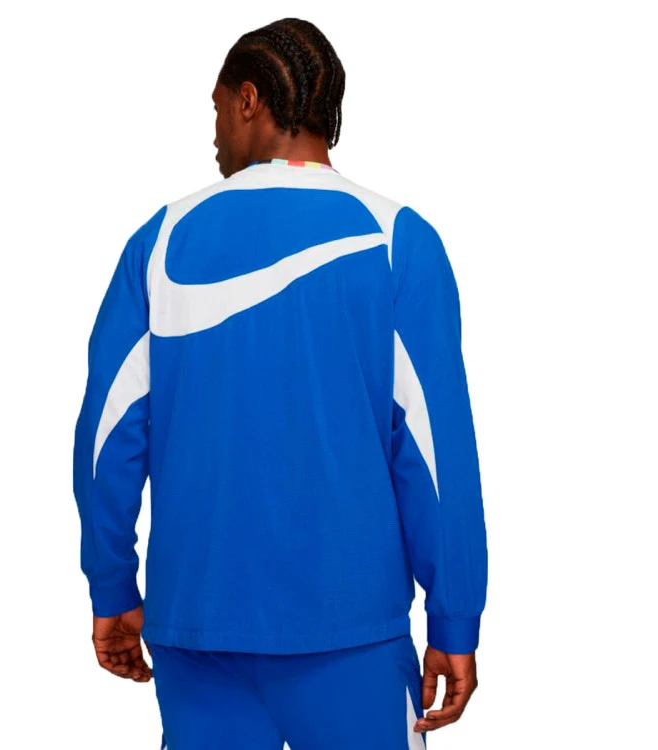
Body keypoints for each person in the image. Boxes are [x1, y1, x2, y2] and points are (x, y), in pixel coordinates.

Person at [72, 16, 488, 750]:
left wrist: (112, 584)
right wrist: (454, 620)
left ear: (249, 100)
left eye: (216, 109)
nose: (213, 136)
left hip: (196, 631)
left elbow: (107, 439)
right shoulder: (398, 241)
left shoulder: (160, 241)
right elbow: (436, 452)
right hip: (352, 636)